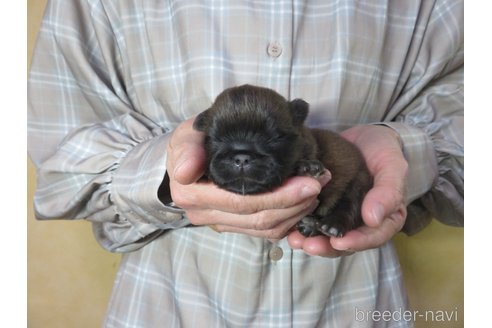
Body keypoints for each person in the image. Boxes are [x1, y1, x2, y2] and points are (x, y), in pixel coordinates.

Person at [28, 0, 463, 327]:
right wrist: (161, 176)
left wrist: (409, 151)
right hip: (171, 303)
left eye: (270, 143)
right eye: (226, 147)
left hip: (356, 301)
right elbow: (59, 161)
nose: (241, 160)